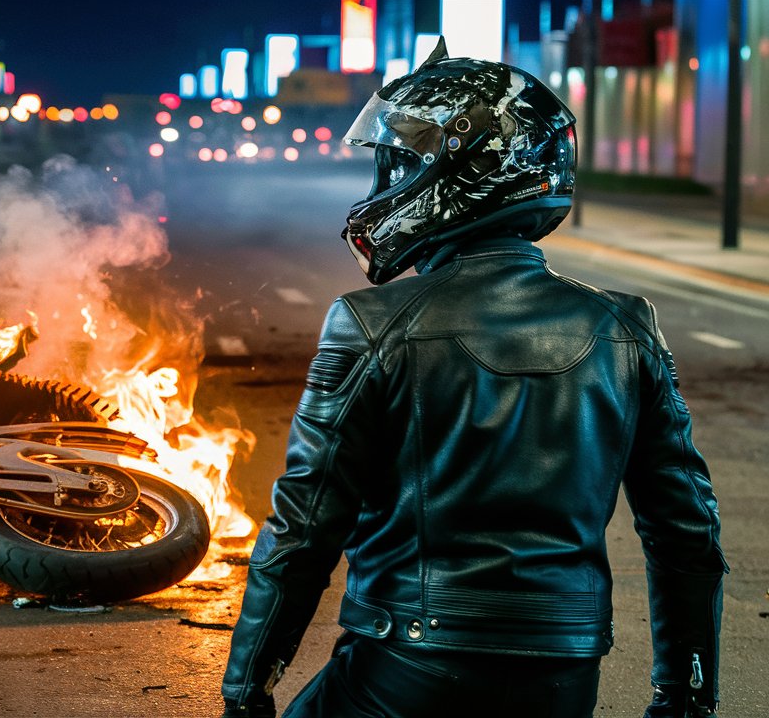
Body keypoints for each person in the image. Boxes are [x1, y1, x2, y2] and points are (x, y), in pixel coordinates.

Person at [220, 39, 726, 718]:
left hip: (410, 661)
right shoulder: (626, 328)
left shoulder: (370, 324)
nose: (385, 187)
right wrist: (686, 696)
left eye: (398, 165)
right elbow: (687, 533)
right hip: (565, 672)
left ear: (462, 172)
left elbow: (304, 528)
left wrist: (246, 687)